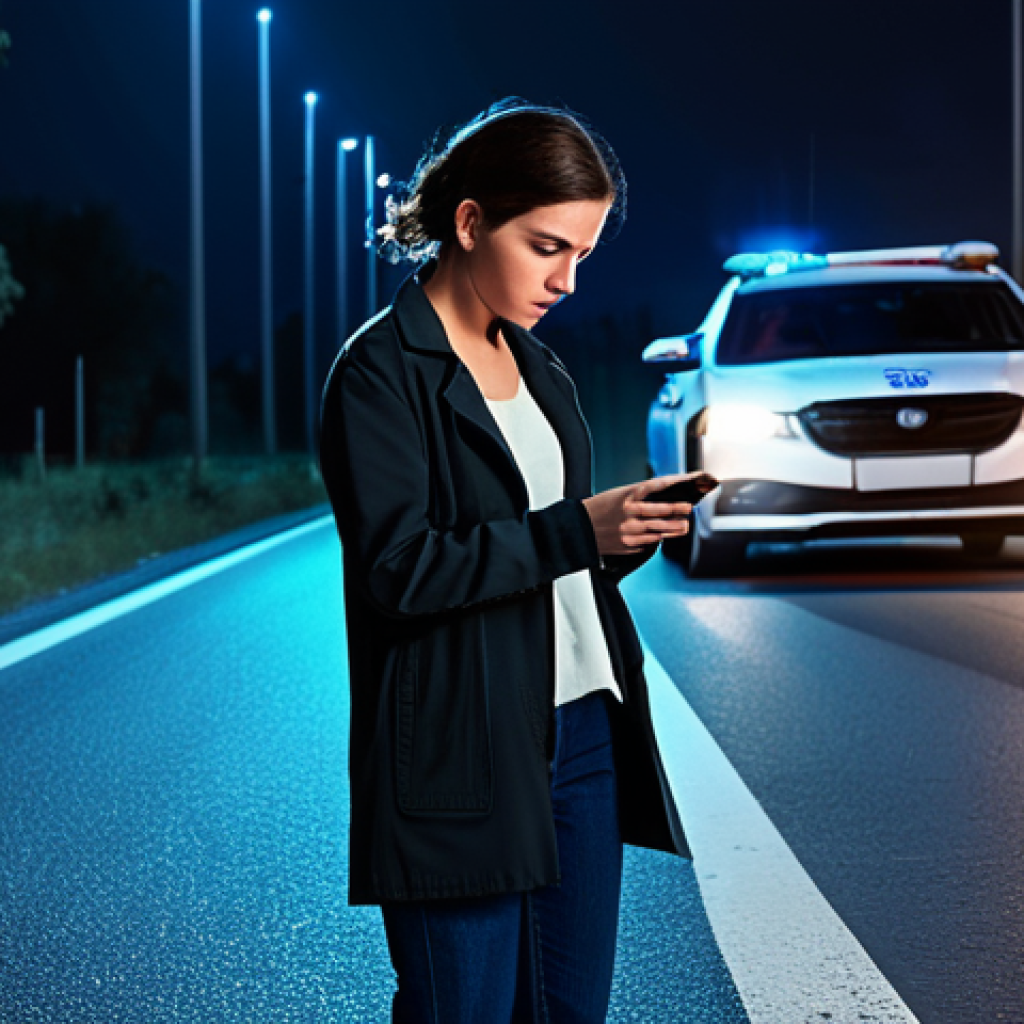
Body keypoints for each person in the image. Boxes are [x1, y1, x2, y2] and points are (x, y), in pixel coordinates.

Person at [319, 96, 700, 1024]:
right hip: (461, 751)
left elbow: (544, 562)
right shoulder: (379, 373)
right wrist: (576, 532)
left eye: (584, 255)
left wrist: (619, 539)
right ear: (469, 222)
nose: (567, 280)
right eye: (547, 247)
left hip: (581, 737)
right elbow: (400, 571)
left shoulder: (543, 371)